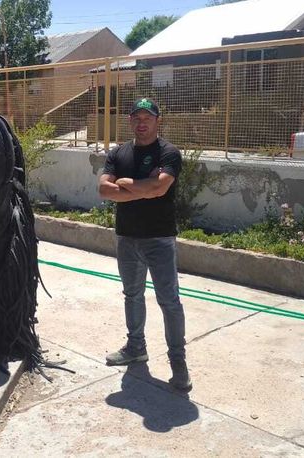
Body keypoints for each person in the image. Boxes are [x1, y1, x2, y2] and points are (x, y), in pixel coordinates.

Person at [98, 97, 191, 391]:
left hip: (159, 239)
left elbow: (160, 186)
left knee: (169, 302)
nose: (142, 123)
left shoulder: (169, 153)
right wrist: (143, 189)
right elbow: (103, 189)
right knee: (132, 295)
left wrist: (125, 185)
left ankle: (178, 362)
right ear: (130, 121)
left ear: (157, 120)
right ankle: (135, 348)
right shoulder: (118, 153)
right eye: (137, 118)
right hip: (127, 238)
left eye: (147, 118)